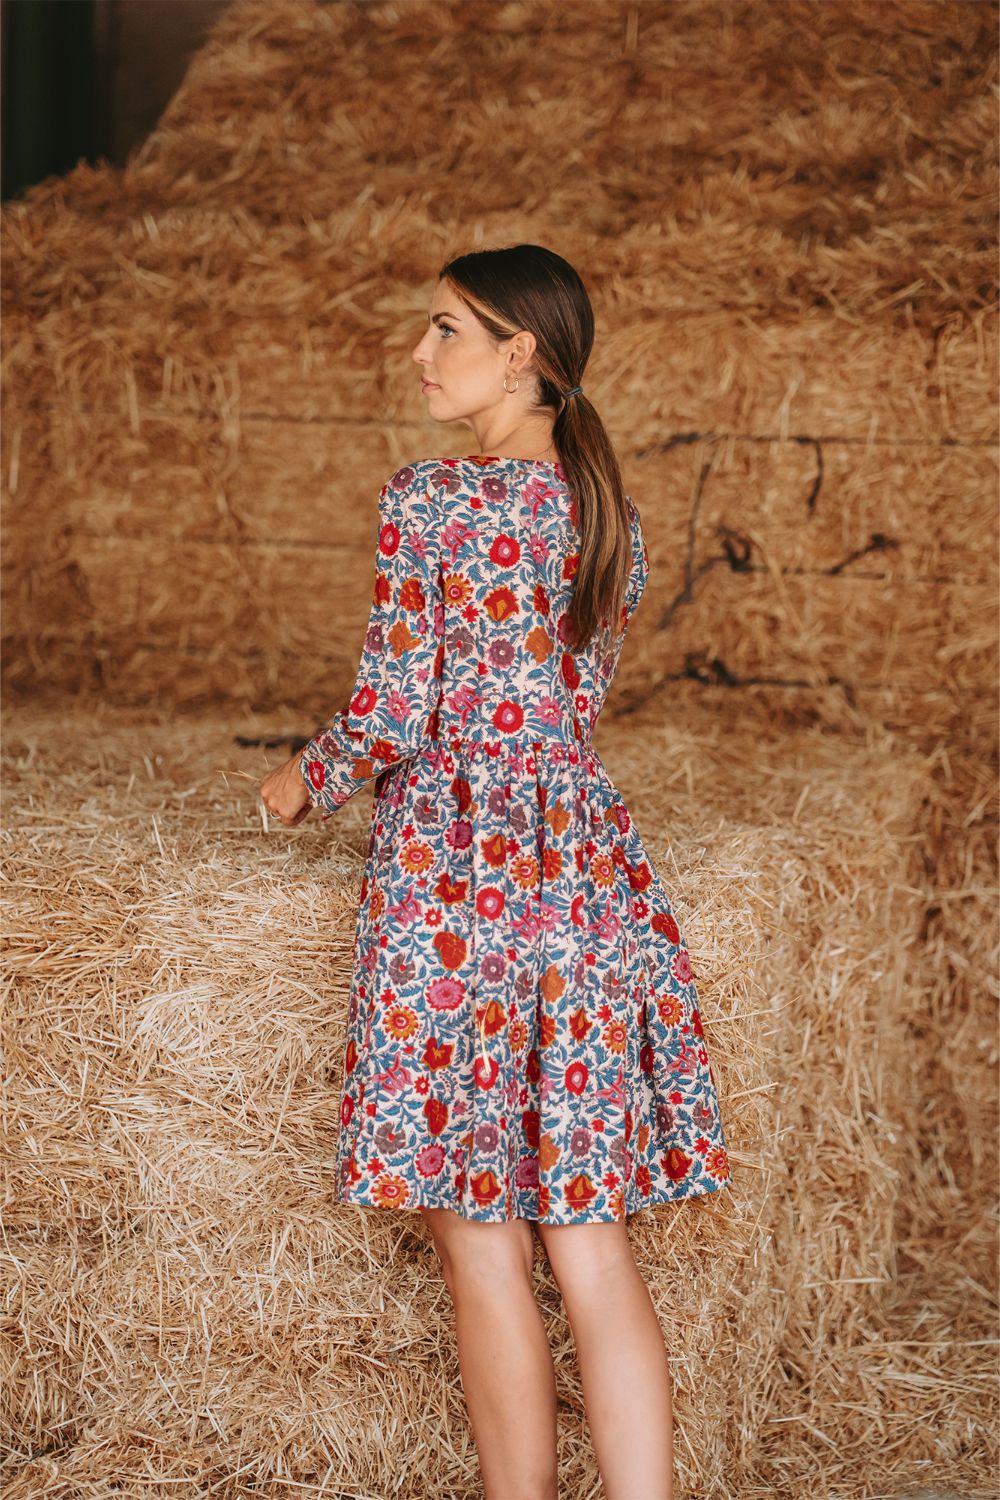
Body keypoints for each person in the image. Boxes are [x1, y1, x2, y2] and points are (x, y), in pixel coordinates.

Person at [259, 245, 732, 1500]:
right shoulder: (605, 508)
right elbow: (565, 701)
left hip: (456, 884)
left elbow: (394, 710)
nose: (419, 354)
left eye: (445, 330)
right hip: (582, 872)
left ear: (520, 354)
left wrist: (304, 778)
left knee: (480, 1239)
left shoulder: (431, 499)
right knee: (591, 1243)